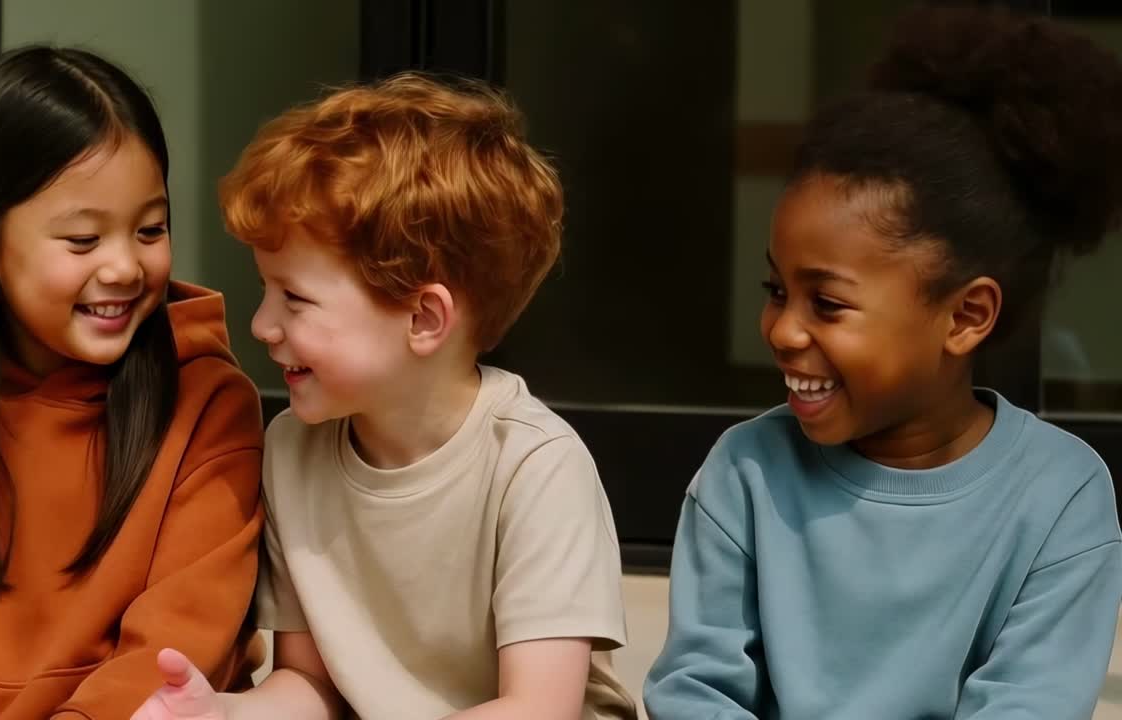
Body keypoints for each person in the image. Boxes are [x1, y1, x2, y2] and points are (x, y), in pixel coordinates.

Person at [644, 6, 1122, 719]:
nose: (781, 330)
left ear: (965, 317)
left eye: (827, 304)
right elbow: (694, 693)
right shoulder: (744, 472)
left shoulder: (1062, 498)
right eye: (777, 291)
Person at [132, 72, 637, 720]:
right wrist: (225, 714)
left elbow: (539, 709)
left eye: (296, 298)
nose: (261, 325)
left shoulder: (536, 468)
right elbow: (312, 687)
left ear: (424, 319)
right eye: (265, 289)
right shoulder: (293, 449)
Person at [0, 46, 265, 719]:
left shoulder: (208, 408)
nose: (125, 266)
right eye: (82, 240)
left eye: (151, 229)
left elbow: (171, 658)